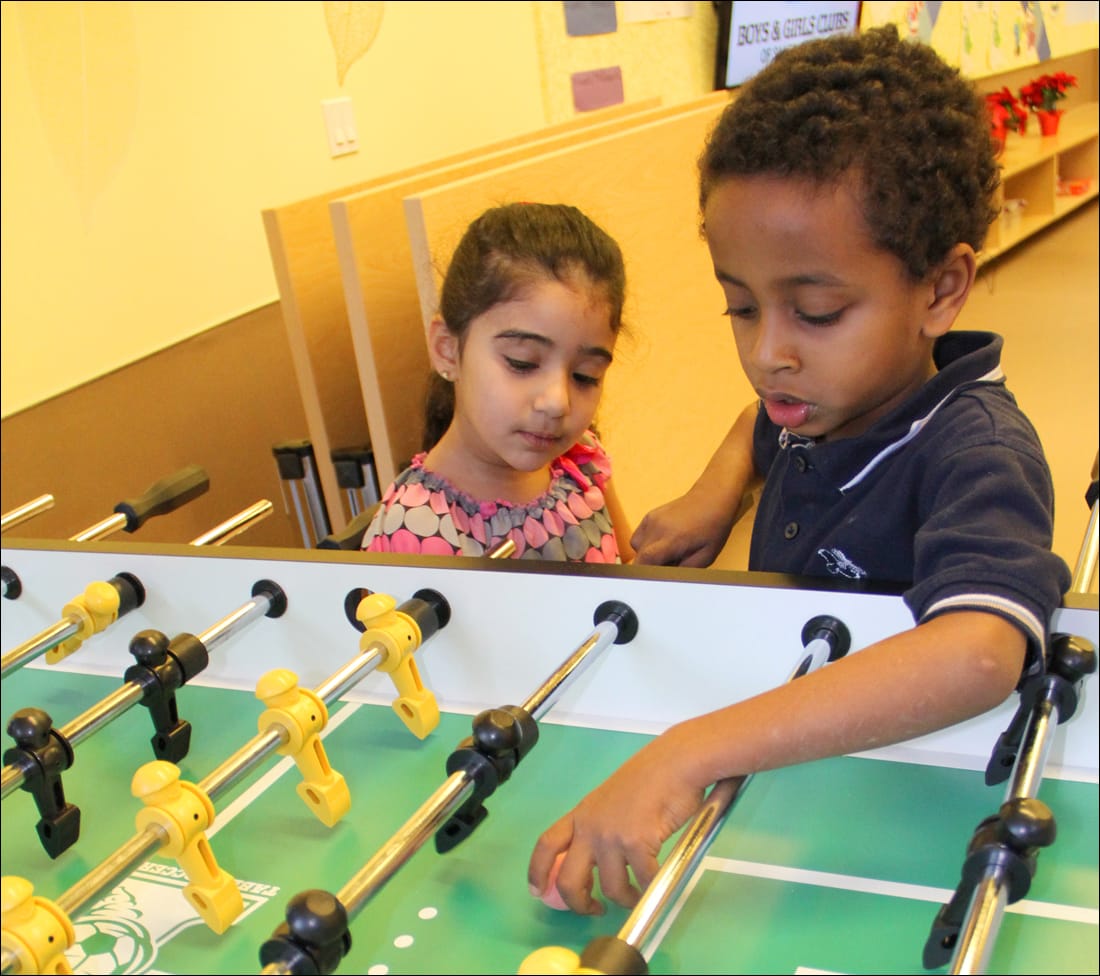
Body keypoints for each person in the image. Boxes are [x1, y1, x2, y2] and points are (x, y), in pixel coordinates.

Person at [527, 25, 1072, 915]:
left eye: (815, 312)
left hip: (899, 791)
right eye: (739, 305)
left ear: (941, 288)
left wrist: (688, 750)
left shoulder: (977, 451)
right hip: (795, 747)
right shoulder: (817, 400)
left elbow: (978, 655)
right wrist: (717, 493)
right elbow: (760, 425)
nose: (768, 353)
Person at [360, 201, 634, 562]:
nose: (557, 401)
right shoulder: (414, 529)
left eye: (585, 376)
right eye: (522, 363)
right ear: (447, 349)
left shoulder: (580, 463)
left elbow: (629, 570)